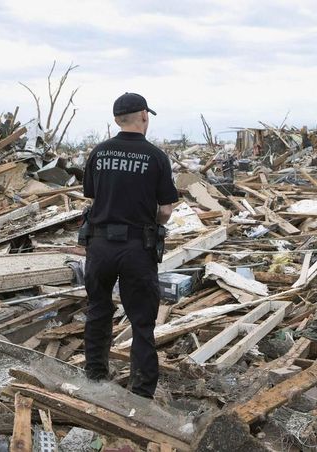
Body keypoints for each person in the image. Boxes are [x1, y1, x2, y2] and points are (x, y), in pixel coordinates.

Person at [82, 92, 178, 398]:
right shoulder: (156, 157)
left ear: (116, 120)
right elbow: (165, 209)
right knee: (141, 321)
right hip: (138, 246)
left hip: (100, 245)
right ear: (144, 116)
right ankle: (141, 392)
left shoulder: (99, 153)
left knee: (98, 310)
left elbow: (93, 197)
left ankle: (95, 377)